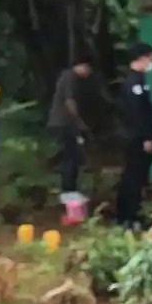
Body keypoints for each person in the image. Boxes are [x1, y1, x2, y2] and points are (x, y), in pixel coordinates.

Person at [115, 42, 152, 231]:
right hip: (135, 138)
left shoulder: (139, 80)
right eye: (150, 58)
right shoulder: (134, 82)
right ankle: (128, 217)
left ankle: (129, 214)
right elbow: (137, 113)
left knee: (134, 176)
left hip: (132, 136)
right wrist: (146, 137)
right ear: (142, 58)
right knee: (134, 177)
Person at [47, 54, 93, 201]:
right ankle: (68, 191)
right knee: (70, 156)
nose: (89, 72)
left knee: (74, 155)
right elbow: (69, 101)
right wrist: (79, 122)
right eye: (88, 68)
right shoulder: (70, 77)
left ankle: (71, 188)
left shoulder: (71, 78)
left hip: (67, 122)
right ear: (81, 65)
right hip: (64, 122)